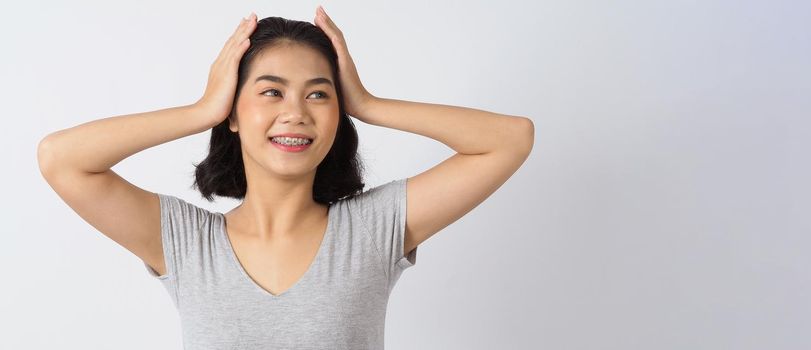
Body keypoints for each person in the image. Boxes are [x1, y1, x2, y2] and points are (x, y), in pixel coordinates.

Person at [37, 5, 534, 349]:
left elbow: (510, 139)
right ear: (234, 111)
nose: (296, 112)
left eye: (318, 94)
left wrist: (370, 104)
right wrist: (202, 109)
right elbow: (61, 158)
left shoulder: (372, 229)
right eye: (271, 92)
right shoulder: (186, 242)